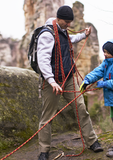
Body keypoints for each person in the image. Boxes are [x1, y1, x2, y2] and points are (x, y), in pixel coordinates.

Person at [36, 5, 103, 160]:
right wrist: (52, 81)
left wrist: (84, 35)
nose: (69, 25)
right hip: (51, 82)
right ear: (58, 19)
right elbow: (43, 60)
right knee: (47, 116)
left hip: (69, 79)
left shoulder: (63, 31)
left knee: (81, 109)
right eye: (66, 22)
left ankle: (92, 142)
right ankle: (44, 151)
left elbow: (70, 40)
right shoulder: (47, 34)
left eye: (70, 22)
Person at [80, 39, 113, 158]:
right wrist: (87, 80)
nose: (104, 54)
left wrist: (105, 84)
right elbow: (97, 72)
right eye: (103, 51)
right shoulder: (106, 63)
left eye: (107, 52)